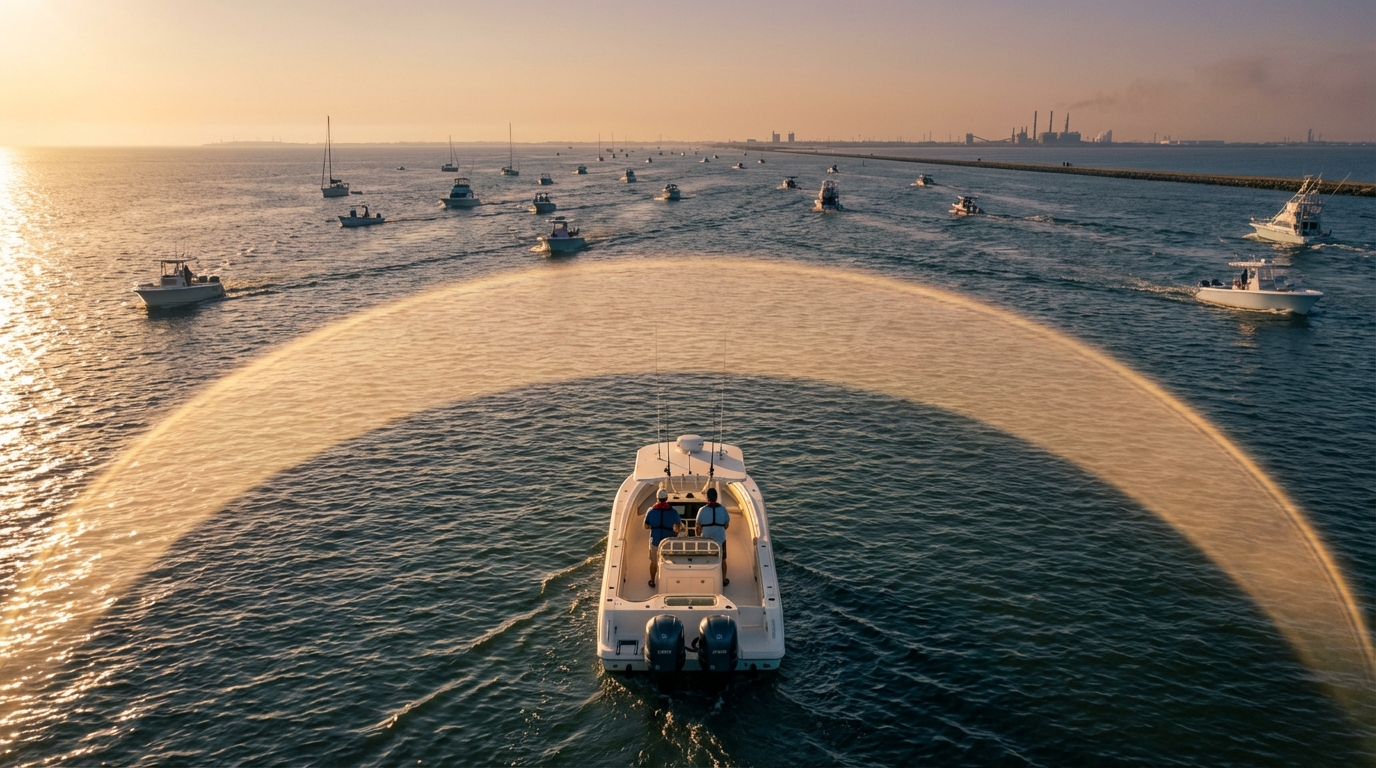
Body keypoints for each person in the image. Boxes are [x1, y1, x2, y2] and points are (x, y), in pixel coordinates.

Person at [644, 488, 680, 589]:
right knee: (669, 560)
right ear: (667, 498)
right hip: (668, 543)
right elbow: (677, 528)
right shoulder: (673, 512)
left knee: (654, 562)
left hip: (655, 541)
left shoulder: (651, 511)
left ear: (657, 498)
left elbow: (646, 526)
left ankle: (652, 581)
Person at [696, 487, 730, 587]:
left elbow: (698, 528)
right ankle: (723, 579)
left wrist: (699, 535)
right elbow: (726, 525)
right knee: (723, 559)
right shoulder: (723, 509)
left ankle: (704, 578)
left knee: (705, 558)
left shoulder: (702, 510)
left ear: (707, 498)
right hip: (720, 539)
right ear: (716, 497)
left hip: (706, 540)